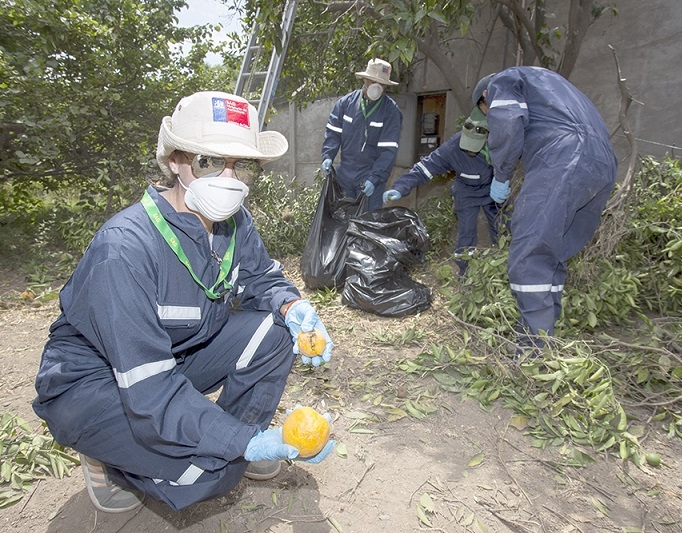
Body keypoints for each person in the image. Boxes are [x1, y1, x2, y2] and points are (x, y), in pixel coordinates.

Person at [32, 91, 336, 513]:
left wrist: (292, 309)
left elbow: (261, 277)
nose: (228, 179)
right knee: (213, 473)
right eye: (209, 162)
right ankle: (110, 455)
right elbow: (149, 386)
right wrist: (240, 443)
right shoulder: (123, 250)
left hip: (171, 359)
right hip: (97, 384)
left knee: (275, 333)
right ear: (176, 160)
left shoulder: (235, 223)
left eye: (241, 165)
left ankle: (236, 444)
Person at [472, 67, 617, 347]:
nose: (488, 116)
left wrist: (501, 175)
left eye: (485, 110)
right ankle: (547, 336)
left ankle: (533, 353)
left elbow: (508, 122)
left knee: (529, 253)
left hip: (563, 158)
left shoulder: (502, 82)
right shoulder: (549, 82)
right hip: (602, 163)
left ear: (485, 97)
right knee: (555, 252)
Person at [382, 107, 502, 276]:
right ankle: (465, 276)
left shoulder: (500, 144)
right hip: (466, 192)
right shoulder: (453, 147)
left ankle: (505, 268)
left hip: (494, 190)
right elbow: (426, 167)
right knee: (466, 236)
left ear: (487, 138)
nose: (470, 149)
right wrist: (401, 187)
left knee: (503, 229)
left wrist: (504, 181)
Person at [321, 58, 403, 211]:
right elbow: (333, 133)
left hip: (370, 178)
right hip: (344, 174)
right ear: (365, 79)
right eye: (373, 81)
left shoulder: (391, 111)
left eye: (382, 84)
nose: (377, 87)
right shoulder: (346, 104)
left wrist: (374, 178)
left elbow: (388, 151)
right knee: (340, 223)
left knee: (366, 227)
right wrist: (327, 156)